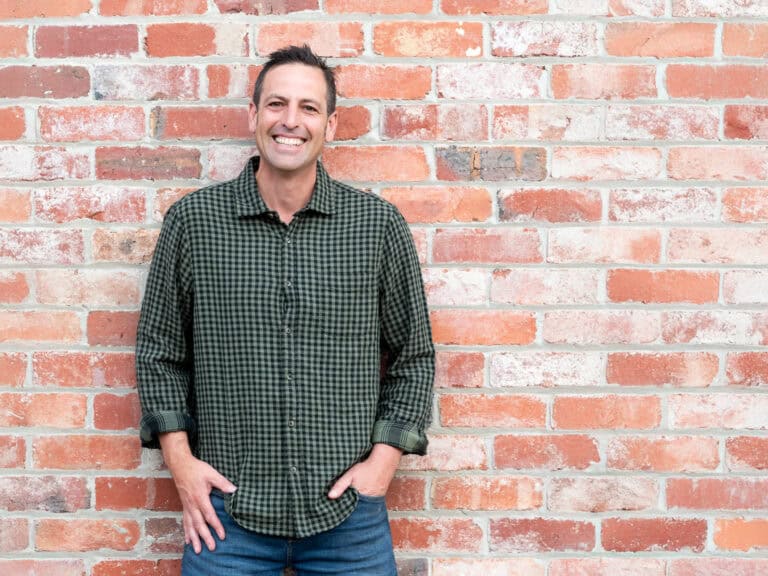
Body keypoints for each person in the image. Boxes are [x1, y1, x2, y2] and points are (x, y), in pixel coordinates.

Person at [135, 44, 434, 575]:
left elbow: (414, 357)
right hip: (225, 514)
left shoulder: (377, 227)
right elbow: (159, 354)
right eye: (276, 104)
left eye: (308, 107)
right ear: (253, 115)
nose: (290, 121)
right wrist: (181, 465)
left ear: (331, 124)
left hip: (349, 517)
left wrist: (381, 467)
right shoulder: (194, 223)